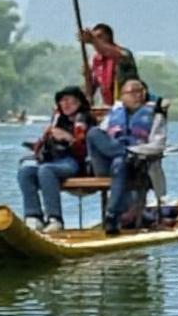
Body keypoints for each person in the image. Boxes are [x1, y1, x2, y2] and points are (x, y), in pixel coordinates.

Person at [86, 78, 165, 235]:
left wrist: (134, 151)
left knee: (120, 162)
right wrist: (124, 151)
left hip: (135, 165)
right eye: (132, 92)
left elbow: (158, 145)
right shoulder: (113, 115)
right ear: (122, 96)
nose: (138, 96)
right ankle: (122, 154)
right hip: (106, 163)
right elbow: (102, 138)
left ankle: (112, 215)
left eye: (140, 91)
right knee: (93, 133)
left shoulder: (155, 116)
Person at [17, 86, 95, 233]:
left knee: (46, 170)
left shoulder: (85, 120)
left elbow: (85, 150)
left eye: (69, 101)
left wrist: (69, 138)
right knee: (25, 172)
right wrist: (39, 144)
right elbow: (46, 146)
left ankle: (55, 219)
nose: (65, 104)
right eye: (62, 101)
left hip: (74, 162)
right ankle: (34, 217)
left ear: (78, 102)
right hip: (53, 161)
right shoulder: (58, 120)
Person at [80, 23, 139, 106]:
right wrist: (87, 76)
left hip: (129, 105)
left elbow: (108, 52)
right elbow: (89, 91)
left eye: (99, 37)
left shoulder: (124, 54)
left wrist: (93, 40)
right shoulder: (95, 61)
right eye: (94, 37)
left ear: (109, 37)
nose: (96, 40)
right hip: (109, 107)